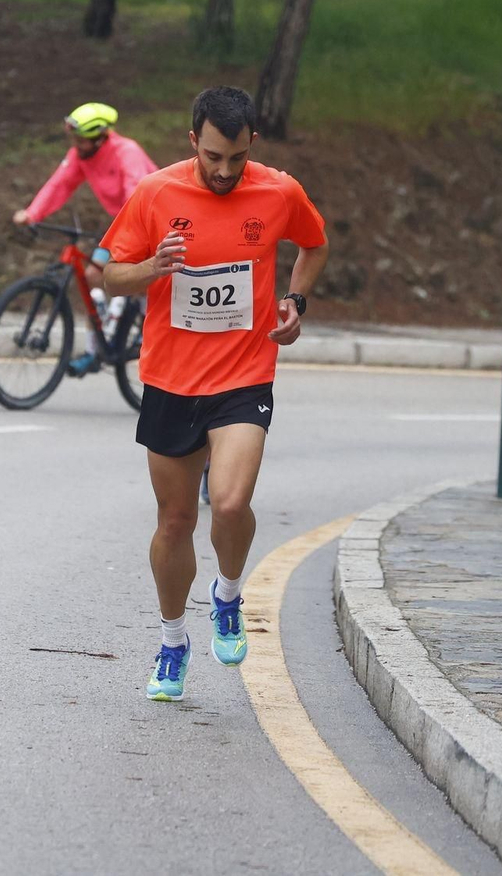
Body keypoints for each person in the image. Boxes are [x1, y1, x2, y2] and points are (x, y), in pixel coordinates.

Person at [99, 86, 329, 702]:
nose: (224, 171)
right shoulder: (155, 194)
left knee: (228, 504)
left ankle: (227, 594)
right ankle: (173, 641)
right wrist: (153, 267)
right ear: (192, 140)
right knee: (175, 520)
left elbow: (315, 242)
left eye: (235, 158)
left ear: (252, 141)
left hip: (245, 373)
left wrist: (295, 301)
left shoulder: (278, 190)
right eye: (212, 158)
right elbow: (110, 274)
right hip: (171, 379)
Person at [13, 102, 157, 375]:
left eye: (82, 140)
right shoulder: (81, 155)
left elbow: (134, 194)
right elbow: (59, 184)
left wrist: (128, 245)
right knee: (93, 275)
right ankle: (95, 349)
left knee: (140, 277)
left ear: (102, 137)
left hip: (148, 220)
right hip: (122, 223)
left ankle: (146, 325)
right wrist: (32, 213)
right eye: (74, 139)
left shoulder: (127, 152)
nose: (76, 145)